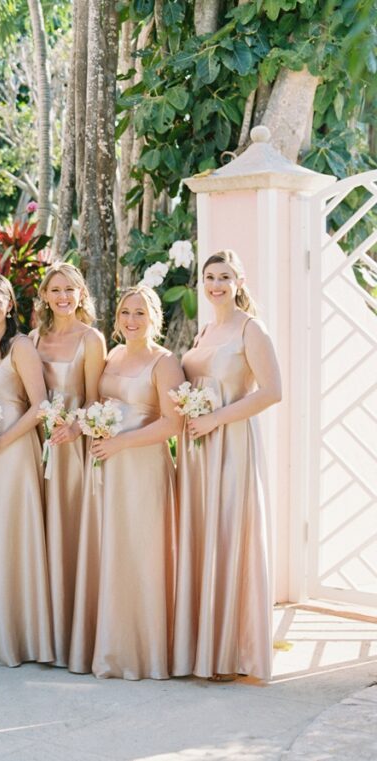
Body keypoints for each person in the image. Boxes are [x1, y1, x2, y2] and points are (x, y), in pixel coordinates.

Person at [173, 250, 281, 682]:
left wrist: (215, 418)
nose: (215, 284)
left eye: (224, 277)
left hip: (232, 444)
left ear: (239, 281)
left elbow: (272, 391)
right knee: (203, 537)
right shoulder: (205, 331)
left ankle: (233, 652)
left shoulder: (251, 329)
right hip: (199, 449)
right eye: (209, 277)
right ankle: (204, 645)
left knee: (229, 536)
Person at [69, 286, 184, 680]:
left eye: (140, 313)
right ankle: (111, 647)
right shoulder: (113, 355)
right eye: (124, 313)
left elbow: (173, 423)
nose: (131, 320)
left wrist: (120, 442)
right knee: (112, 552)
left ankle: (144, 652)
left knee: (141, 553)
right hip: (108, 468)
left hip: (143, 467)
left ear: (154, 317)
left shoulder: (165, 362)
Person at [0, 274, 54, 667]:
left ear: (10, 306)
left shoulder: (19, 345)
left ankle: (20, 637)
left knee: (12, 537)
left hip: (14, 448)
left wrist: (3, 441)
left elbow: (40, 405)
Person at [30, 262, 106, 668]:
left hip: (72, 447)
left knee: (72, 530)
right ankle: (45, 633)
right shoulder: (33, 338)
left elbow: (96, 398)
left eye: (69, 290)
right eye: (55, 289)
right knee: (41, 533)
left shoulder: (91, 339)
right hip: (38, 441)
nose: (62, 297)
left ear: (80, 295)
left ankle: (76, 635)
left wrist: (75, 429)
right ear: (44, 295)